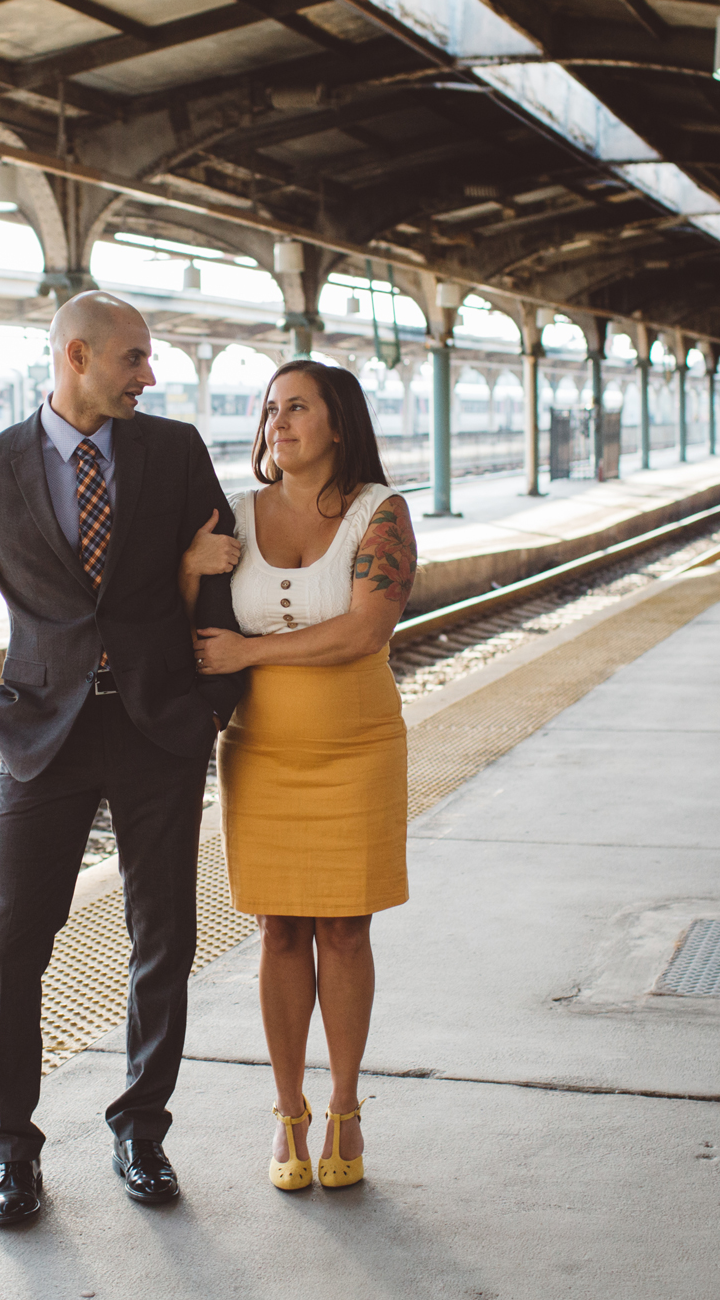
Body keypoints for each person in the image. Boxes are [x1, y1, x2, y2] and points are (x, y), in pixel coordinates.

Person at [0, 291, 246, 1227]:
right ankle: (11, 1153)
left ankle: (141, 1129)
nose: (150, 375)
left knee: (164, 938)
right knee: (13, 944)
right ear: (76, 357)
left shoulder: (173, 450)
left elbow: (219, 568)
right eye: (134, 358)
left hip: (157, 729)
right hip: (40, 735)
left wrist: (212, 699)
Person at [189, 360, 415, 1192]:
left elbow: (363, 630)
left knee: (345, 930)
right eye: (269, 408)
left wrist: (250, 650)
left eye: (297, 407)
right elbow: (186, 616)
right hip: (259, 752)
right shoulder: (232, 517)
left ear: (338, 424)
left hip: (356, 750)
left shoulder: (379, 514)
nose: (277, 422)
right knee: (280, 931)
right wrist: (189, 565)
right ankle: (288, 1112)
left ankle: (346, 1106)